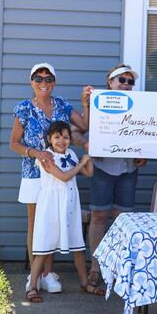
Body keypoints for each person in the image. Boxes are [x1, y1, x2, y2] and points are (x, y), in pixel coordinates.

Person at [9, 62, 89, 295]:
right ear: (31, 81)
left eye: (48, 79)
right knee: (37, 222)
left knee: (54, 221)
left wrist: (85, 102)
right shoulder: (23, 108)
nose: (43, 83)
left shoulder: (62, 104)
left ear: (54, 82)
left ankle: (47, 274)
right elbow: (14, 143)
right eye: (38, 78)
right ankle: (35, 274)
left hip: (59, 174)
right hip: (35, 173)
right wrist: (36, 153)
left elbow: (83, 125)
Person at [79, 64, 147, 287]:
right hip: (103, 168)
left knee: (122, 220)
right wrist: (87, 143)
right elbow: (78, 131)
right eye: (121, 80)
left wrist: (144, 155)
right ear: (110, 82)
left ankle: (118, 265)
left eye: (130, 82)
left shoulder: (141, 107)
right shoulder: (97, 103)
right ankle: (96, 266)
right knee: (99, 216)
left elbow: (148, 134)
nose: (126, 85)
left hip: (128, 169)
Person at [27, 121, 102, 302]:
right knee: (44, 247)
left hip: (69, 204)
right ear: (49, 139)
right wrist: (81, 163)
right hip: (51, 205)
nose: (62, 141)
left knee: (77, 245)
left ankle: (85, 283)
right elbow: (63, 177)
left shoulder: (71, 154)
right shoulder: (46, 157)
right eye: (57, 137)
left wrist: (88, 157)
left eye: (66, 137)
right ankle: (33, 286)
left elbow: (89, 173)